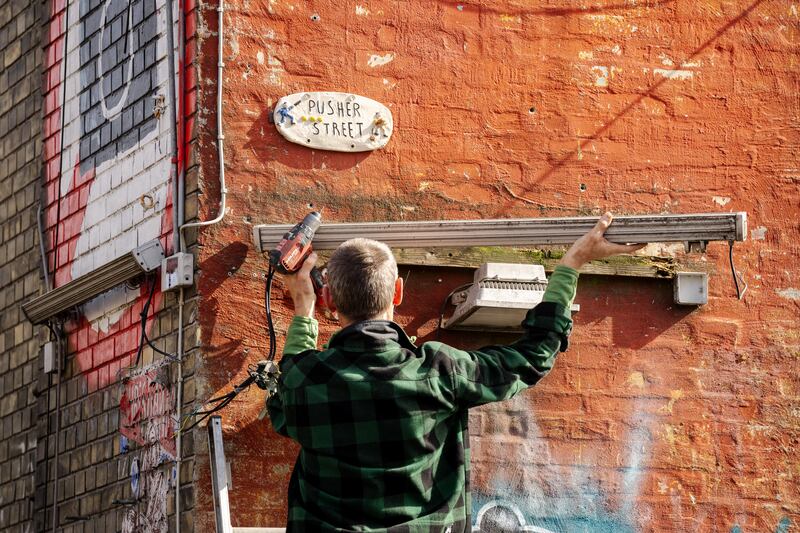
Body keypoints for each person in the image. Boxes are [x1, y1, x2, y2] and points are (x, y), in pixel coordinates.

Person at [267, 213, 644, 532]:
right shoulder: (440, 372)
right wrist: (571, 264)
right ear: (398, 292)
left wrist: (305, 307)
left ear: (330, 299)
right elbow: (534, 355)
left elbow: (291, 383)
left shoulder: (304, 381)